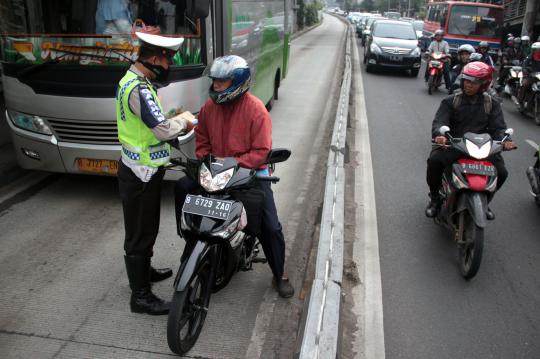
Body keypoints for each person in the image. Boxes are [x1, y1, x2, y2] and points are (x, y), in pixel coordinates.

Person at [174, 55, 295, 298]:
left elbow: (261, 151)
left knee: (270, 227)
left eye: (222, 82)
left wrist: (234, 165)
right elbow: (203, 141)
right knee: (182, 187)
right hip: (216, 172)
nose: (216, 85)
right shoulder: (209, 107)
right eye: (215, 81)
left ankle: (279, 273)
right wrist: (207, 161)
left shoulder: (256, 110)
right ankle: (190, 237)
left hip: (248, 174)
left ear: (238, 83)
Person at [117, 29, 195, 315]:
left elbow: (150, 124)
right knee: (140, 232)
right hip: (142, 173)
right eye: (168, 61)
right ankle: (141, 297)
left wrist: (171, 119)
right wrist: (184, 123)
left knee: (143, 227)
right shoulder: (138, 88)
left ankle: (143, 272)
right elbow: (161, 129)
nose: (169, 67)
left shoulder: (132, 80)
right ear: (156, 57)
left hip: (137, 168)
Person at [425, 62, 514, 218]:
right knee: (434, 161)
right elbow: (439, 122)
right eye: (467, 80)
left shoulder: (491, 104)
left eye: (474, 82)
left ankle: (486, 200)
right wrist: (440, 135)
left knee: (502, 172)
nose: (469, 85)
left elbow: (499, 128)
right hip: (454, 144)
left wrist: (504, 140)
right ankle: (435, 198)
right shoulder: (451, 101)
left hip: (483, 148)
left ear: (484, 85)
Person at [517, 42, 540, 111]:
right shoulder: (529, 57)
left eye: (537, 49)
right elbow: (524, 64)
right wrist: (525, 70)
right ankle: (521, 102)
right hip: (530, 75)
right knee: (525, 85)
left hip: (538, 77)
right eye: (534, 49)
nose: (536, 51)